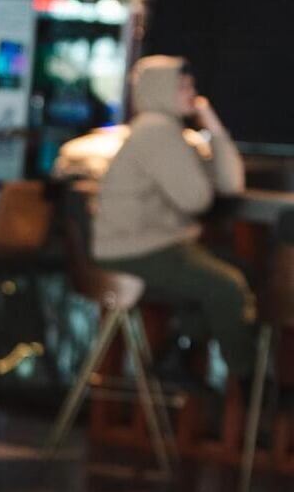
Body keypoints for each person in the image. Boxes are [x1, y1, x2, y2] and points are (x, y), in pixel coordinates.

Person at [92, 55, 254, 380]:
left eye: (192, 86)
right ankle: (246, 380)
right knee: (227, 287)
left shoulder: (167, 131)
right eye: (183, 87)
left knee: (227, 273)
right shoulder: (157, 131)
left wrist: (212, 123)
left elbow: (231, 184)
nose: (192, 94)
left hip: (151, 245)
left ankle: (178, 354)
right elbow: (197, 199)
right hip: (135, 250)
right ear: (161, 90)